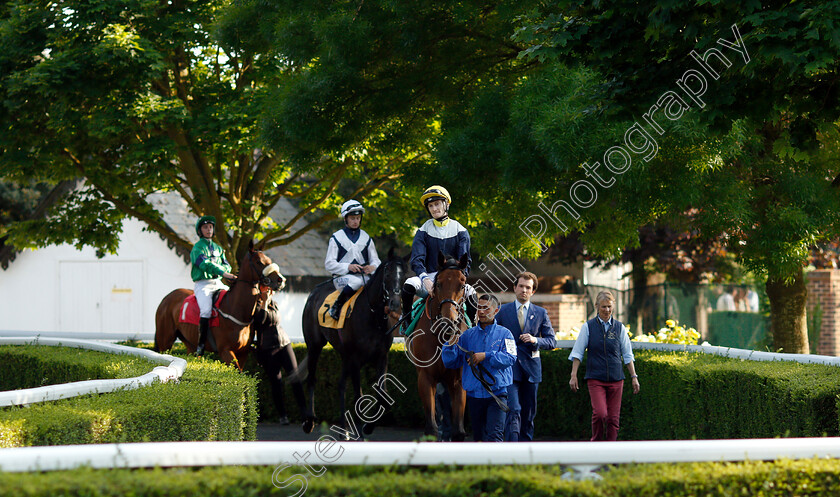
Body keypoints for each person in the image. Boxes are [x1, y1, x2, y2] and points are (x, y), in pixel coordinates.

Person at [442, 294, 516, 442]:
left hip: (497, 395)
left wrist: (486, 356)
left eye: (485, 308)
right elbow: (451, 362)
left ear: (496, 311)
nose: (481, 312)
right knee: (479, 439)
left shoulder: (505, 334)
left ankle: (495, 465)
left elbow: (510, 358)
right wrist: (450, 343)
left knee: (495, 437)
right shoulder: (467, 335)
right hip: (474, 396)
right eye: (479, 308)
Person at [569, 290, 640, 441]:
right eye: (603, 307)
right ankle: (596, 445)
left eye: (609, 306)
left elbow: (627, 354)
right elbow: (578, 352)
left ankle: (610, 451)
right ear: (596, 306)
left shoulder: (619, 328)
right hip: (595, 379)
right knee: (600, 414)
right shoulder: (588, 327)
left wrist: (634, 377)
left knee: (613, 419)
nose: (607, 310)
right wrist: (573, 375)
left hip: (616, 379)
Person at [401, 185, 476, 327]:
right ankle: (406, 320)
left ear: (446, 204)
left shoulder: (460, 230)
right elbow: (417, 260)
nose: (434, 209)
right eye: (430, 206)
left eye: (437, 204)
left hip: (452, 281)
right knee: (409, 284)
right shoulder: (422, 230)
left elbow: (465, 261)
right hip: (428, 278)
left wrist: (458, 279)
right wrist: (425, 280)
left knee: (472, 294)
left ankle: (472, 327)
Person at [497, 272, 556, 442]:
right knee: (513, 409)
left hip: (531, 371)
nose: (524, 290)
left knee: (529, 414)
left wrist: (535, 339)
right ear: (514, 288)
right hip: (510, 371)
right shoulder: (502, 311)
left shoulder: (541, 313)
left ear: (533, 292)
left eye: (528, 288)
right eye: (521, 286)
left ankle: (526, 451)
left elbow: (552, 341)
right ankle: (512, 449)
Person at [252, 286, 306, 425]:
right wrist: (263, 302)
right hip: (268, 348)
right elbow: (261, 321)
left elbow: (276, 321)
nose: (269, 292)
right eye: (266, 290)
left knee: (295, 377)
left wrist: (268, 301)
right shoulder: (255, 306)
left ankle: (305, 414)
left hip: (284, 343)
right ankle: (283, 416)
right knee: (276, 382)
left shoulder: (274, 303)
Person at [324, 200, 381, 321]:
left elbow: (376, 261)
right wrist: (348, 267)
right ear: (345, 219)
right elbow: (329, 264)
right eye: (352, 218)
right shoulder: (336, 238)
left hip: (364, 278)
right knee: (356, 282)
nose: (356, 221)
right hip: (342, 278)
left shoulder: (366, 238)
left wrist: (372, 267)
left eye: (358, 218)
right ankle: (336, 306)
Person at [191, 215, 237, 356]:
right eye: (205, 227)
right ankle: (201, 346)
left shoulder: (218, 248)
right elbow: (205, 265)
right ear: (200, 230)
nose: (209, 229)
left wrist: (225, 272)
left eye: (210, 227)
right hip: (203, 284)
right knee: (205, 311)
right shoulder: (197, 248)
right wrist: (223, 272)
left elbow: (227, 265)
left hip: (218, 282)